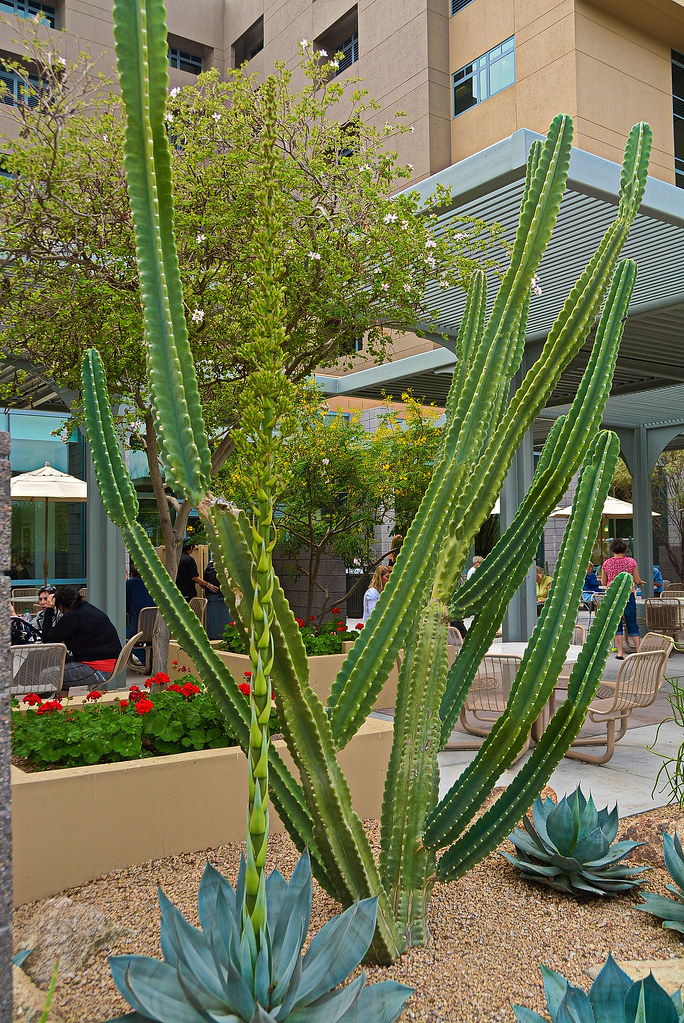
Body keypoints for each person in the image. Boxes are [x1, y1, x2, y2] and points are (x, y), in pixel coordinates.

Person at [41, 585, 122, 692]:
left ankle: (48, 702)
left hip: (99, 669)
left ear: (61, 605)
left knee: (46, 674)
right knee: (62, 665)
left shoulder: (73, 616)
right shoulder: (87, 609)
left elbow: (47, 639)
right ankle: (61, 701)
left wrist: (49, 610)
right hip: (109, 664)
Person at [600, 538, 644, 658]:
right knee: (631, 621)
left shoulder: (606, 563)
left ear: (612, 550)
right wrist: (640, 583)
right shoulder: (631, 562)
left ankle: (620, 651)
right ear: (624, 550)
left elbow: (603, 582)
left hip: (613, 595)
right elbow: (636, 580)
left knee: (616, 622)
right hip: (627, 594)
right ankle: (638, 650)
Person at [126, 564, 154, 638]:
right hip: (155, 631)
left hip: (136, 633)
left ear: (131, 575)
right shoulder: (154, 585)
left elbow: (125, 608)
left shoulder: (129, 585)